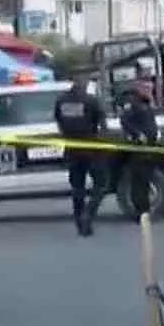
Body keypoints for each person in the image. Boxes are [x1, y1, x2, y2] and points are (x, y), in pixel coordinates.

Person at [52, 72, 109, 236]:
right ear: (83, 82)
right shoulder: (91, 100)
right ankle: (88, 215)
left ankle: (79, 223)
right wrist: (104, 144)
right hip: (91, 148)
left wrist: (67, 136)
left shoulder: (61, 100)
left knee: (77, 187)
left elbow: (58, 121)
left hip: (71, 148)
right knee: (102, 184)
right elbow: (103, 124)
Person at [119, 77, 161, 217]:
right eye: (146, 88)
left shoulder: (145, 103)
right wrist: (138, 135)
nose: (150, 90)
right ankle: (140, 212)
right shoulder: (133, 102)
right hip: (139, 149)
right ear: (139, 88)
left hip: (149, 148)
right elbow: (124, 121)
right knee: (139, 182)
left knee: (146, 180)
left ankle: (145, 210)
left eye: (151, 88)